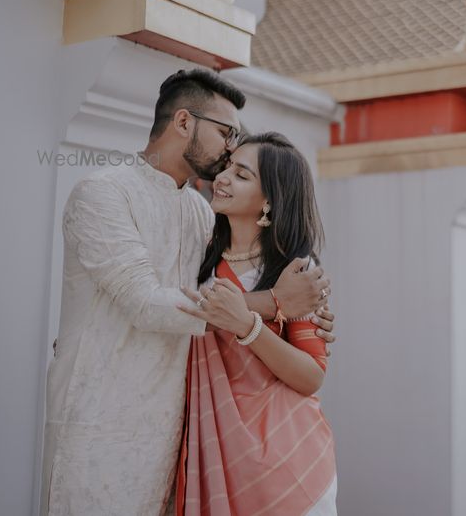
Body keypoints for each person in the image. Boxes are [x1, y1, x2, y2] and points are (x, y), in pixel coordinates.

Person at [41, 69, 336, 515]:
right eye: (225, 133)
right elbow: (145, 303)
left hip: (177, 438)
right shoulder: (102, 195)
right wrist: (274, 303)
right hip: (99, 424)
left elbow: (240, 279)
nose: (230, 146)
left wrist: (303, 314)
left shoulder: (199, 212)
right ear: (184, 122)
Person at [175, 132, 337, 515]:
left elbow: (311, 375)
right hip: (214, 449)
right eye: (228, 167)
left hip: (287, 455)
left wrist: (249, 326)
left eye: (242, 175)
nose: (223, 178)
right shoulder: (197, 256)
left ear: (269, 201)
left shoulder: (295, 270)